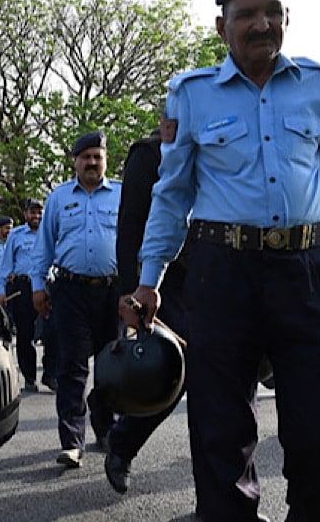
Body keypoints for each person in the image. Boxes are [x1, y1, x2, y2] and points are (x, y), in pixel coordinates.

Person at [121, 0, 320, 520]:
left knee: (314, 431)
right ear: (222, 26)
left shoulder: (319, 86)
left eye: (271, 13)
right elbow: (171, 197)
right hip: (221, 273)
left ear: (288, 18)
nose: (260, 24)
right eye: (246, 16)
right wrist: (149, 282)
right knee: (221, 431)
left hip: (305, 274)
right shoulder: (191, 95)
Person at [29, 131, 122, 469]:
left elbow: (137, 244)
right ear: (76, 161)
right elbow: (44, 249)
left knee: (112, 366)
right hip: (70, 292)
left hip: (113, 293)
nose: (92, 163)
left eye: (97, 157)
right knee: (72, 367)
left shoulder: (122, 195)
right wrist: (38, 288)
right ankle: (72, 441)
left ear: (105, 160)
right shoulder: (58, 199)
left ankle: (108, 431)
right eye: (86, 157)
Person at [105, 124, 189, 494]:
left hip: (218, 278)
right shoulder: (149, 154)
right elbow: (129, 226)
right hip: (165, 284)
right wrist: (129, 292)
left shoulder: (221, 150)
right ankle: (122, 445)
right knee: (168, 375)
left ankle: (221, 498)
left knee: (218, 390)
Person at [0, 199, 51, 392]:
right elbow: (6, 266)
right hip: (23, 288)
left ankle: (50, 374)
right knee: (25, 334)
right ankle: (29, 377)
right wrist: (1, 291)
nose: (36, 216)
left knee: (53, 332)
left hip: (48, 287)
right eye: (32, 212)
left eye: (39, 212)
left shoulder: (51, 232)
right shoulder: (16, 236)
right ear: (26, 214)